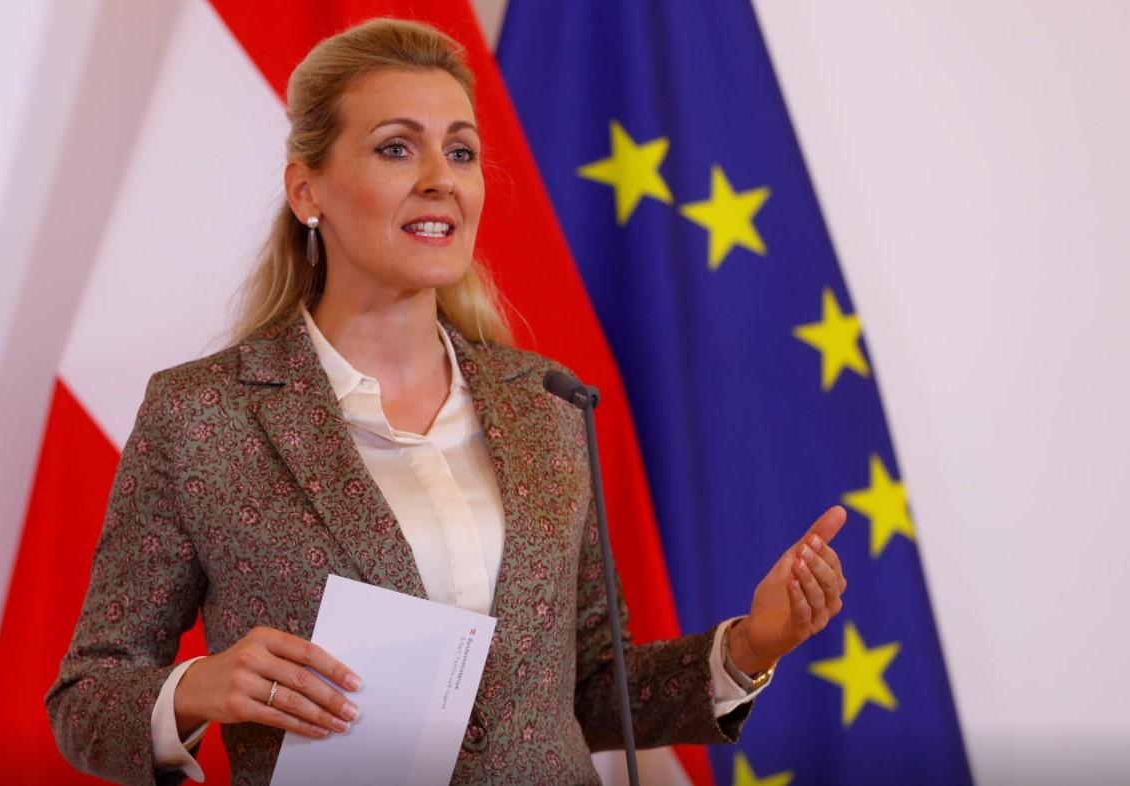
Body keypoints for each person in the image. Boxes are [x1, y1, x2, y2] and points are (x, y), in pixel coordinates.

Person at [46, 18, 847, 786]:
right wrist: (196, 688)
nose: (440, 177)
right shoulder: (203, 416)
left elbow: (586, 691)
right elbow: (85, 701)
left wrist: (750, 644)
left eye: (460, 151)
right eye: (397, 148)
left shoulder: (547, 405)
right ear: (306, 190)